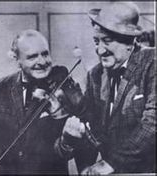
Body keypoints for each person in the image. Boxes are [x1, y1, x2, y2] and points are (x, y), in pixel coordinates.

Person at [55, 2, 156, 174]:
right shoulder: (95, 75)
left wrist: (110, 163)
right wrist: (67, 140)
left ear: (129, 41)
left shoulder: (152, 62)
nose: (100, 50)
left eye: (107, 41)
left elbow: (152, 124)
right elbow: (90, 130)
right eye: (96, 41)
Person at [0, 29, 83, 175]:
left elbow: (79, 144)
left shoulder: (62, 88)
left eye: (45, 54)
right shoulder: (1, 87)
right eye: (32, 57)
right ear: (17, 60)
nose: (42, 62)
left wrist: (67, 140)